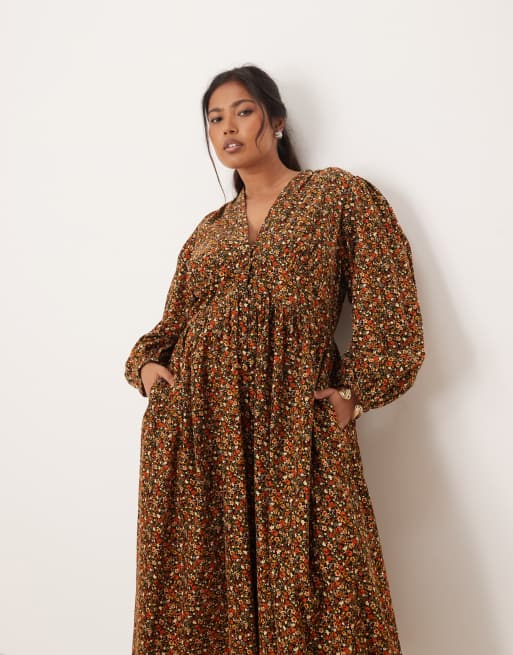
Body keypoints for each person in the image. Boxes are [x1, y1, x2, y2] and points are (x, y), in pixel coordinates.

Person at [124, 64, 426, 655]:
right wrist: (147, 369)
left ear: (277, 120)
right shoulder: (209, 231)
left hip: (294, 423)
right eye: (215, 118)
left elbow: (389, 306)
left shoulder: (336, 197)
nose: (228, 128)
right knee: (201, 590)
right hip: (203, 431)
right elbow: (172, 326)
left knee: (324, 583)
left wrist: (355, 393)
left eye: (243, 111)